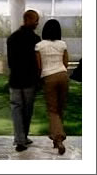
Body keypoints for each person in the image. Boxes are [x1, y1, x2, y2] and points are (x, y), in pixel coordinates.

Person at [6, 10, 41, 152]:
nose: (38, 23)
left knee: (16, 109)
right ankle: (22, 138)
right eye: (36, 20)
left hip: (15, 79)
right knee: (27, 110)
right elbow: (38, 62)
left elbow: (10, 62)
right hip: (29, 80)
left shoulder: (12, 38)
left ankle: (20, 139)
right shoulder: (36, 39)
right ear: (29, 20)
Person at [35, 19, 70, 155]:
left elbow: (38, 65)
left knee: (52, 110)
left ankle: (59, 138)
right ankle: (55, 138)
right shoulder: (62, 44)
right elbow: (65, 62)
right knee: (60, 108)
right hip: (62, 75)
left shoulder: (39, 46)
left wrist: (39, 79)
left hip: (49, 77)